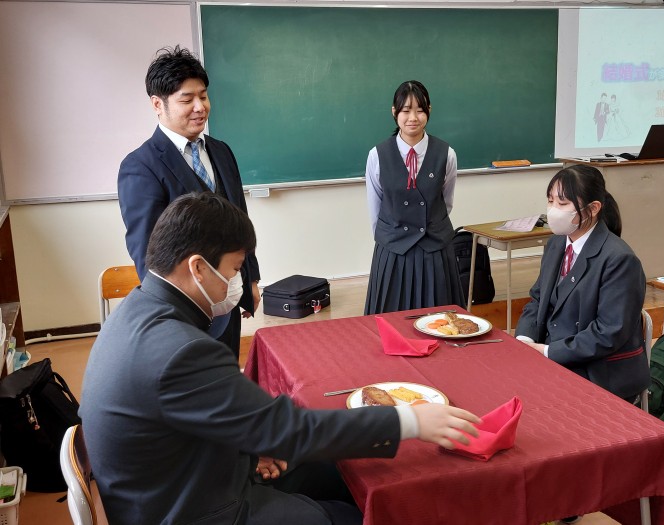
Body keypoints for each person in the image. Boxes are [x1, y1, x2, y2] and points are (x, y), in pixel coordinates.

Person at [80, 192, 481, 525]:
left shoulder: (138, 310)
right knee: (356, 511)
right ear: (198, 268)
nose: (236, 282)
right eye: (235, 269)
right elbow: (288, 429)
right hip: (193, 508)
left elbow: (218, 420)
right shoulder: (180, 349)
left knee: (340, 472)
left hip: (172, 482)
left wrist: (251, 446)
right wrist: (409, 421)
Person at [117, 45, 259, 360]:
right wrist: (173, 316)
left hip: (230, 302)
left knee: (225, 375)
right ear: (158, 104)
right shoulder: (140, 166)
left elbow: (240, 218)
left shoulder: (221, 151)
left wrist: (251, 280)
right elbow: (146, 252)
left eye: (203, 96)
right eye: (187, 99)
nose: (200, 107)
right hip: (186, 315)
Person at [515, 164, 650, 402]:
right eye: (550, 201)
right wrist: (525, 339)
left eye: (563, 203)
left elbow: (609, 332)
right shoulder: (556, 243)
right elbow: (537, 298)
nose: (553, 210)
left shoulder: (619, 259)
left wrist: (548, 351)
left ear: (593, 208)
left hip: (598, 371)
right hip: (555, 358)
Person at [364, 80, 465, 314]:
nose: (413, 118)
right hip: (393, 250)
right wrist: (389, 240)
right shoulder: (377, 155)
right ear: (394, 112)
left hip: (435, 248)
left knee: (439, 320)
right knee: (391, 319)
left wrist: (428, 227)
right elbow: (375, 206)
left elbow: (446, 202)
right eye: (406, 110)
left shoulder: (447, 154)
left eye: (420, 110)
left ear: (429, 110)